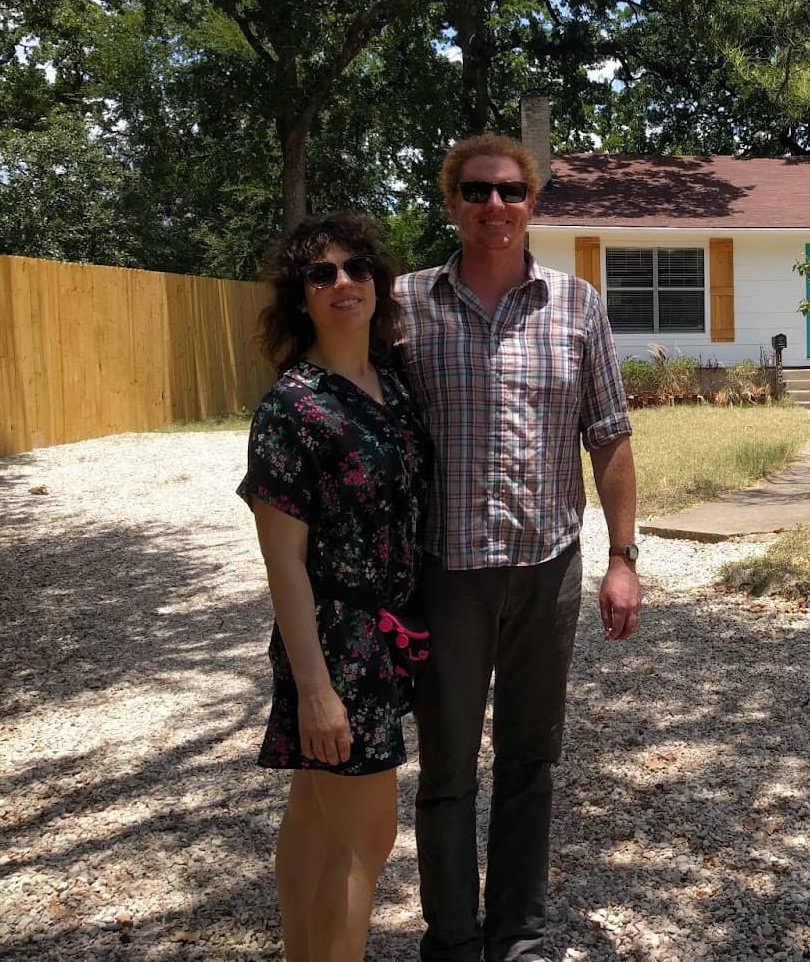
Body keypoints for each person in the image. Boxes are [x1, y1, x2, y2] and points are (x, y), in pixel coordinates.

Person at [395, 133, 639, 962]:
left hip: (548, 571)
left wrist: (622, 559)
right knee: (449, 769)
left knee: (531, 760)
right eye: (475, 191)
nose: (492, 206)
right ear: (451, 201)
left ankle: (519, 936)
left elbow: (609, 437)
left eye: (509, 191)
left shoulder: (577, 305)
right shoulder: (404, 307)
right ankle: (453, 939)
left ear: (533, 203)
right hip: (446, 573)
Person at [239, 211, 433, 962]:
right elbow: (283, 561)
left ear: (379, 284)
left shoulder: (398, 384)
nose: (343, 283)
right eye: (321, 274)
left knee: (317, 823)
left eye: (357, 268)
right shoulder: (293, 407)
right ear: (302, 298)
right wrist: (317, 691)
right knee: (366, 840)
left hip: (391, 632)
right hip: (337, 644)